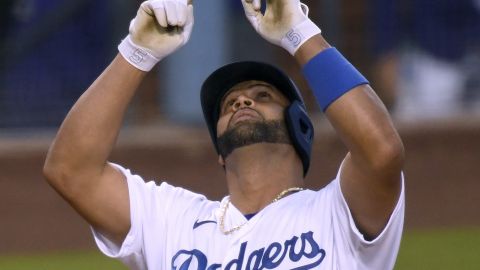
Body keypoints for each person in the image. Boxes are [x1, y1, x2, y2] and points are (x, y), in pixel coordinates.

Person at [43, 0, 405, 269]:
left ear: (300, 128)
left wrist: (300, 34)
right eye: (229, 103)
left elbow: (381, 150)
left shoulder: (335, 213)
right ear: (219, 150)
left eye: (263, 96)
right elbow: (71, 171)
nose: (242, 100)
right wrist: (136, 53)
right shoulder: (173, 222)